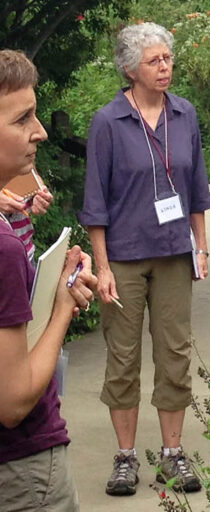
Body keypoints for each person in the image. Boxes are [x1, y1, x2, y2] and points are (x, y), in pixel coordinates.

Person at [78, 22, 210, 495]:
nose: (165, 67)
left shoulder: (185, 114)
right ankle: (126, 457)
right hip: (125, 257)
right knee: (124, 356)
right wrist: (102, 267)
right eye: (154, 60)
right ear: (130, 68)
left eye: (168, 59)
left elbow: (197, 189)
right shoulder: (108, 121)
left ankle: (173, 454)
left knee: (175, 353)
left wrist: (200, 245)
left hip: (175, 253)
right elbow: (95, 201)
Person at [0, 49, 97, 511]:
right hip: (22, 471)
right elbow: (13, 400)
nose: (39, 131)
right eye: (22, 119)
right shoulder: (2, 248)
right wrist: (62, 306)